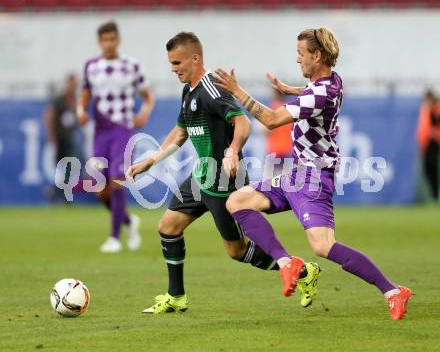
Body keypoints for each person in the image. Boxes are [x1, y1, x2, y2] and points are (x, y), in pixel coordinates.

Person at [214, 27, 412, 320]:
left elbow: (269, 120)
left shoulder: (319, 93)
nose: (298, 61)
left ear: (317, 55)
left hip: (314, 177)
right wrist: (290, 90)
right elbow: (314, 93)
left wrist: (236, 90)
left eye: (301, 55)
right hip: (297, 174)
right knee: (237, 201)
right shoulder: (333, 81)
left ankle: (394, 291)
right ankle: (286, 262)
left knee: (322, 246)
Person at [126, 32, 321, 314]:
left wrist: (232, 151)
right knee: (168, 227)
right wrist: (153, 159)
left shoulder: (212, 89)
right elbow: (181, 131)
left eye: (177, 62)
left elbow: (243, 123)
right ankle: (176, 296)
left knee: (237, 250)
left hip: (224, 180)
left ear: (195, 58)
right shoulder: (188, 90)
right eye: (171, 63)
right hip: (201, 176)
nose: (174, 68)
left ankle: (302, 271)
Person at [76, 21, 155, 253]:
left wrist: (144, 112)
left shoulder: (131, 65)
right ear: (100, 42)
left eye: (112, 39)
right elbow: (85, 94)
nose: (109, 44)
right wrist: (80, 111)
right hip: (101, 132)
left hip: (123, 129)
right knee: (101, 189)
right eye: (105, 40)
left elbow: (148, 95)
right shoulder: (91, 66)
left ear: (118, 40)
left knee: (117, 179)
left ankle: (114, 238)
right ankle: (129, 222)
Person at [44, 73, 78, 202]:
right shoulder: (59, 99)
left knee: (70, 166)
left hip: (69, 138)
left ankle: (60, 193)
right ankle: (56, 192)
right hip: (60, 138)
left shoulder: (75, 99)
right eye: (72, 83)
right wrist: (52, 136)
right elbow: (49, 117)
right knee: (61, 166)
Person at [417, 90, 440, 201]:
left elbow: (436, 122)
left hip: (436, 141)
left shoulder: (436, 109)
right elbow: (423, 130)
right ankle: (435, 193)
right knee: (428, 168)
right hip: (428, 143)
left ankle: (436, 193)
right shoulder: (425, 110)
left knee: (433, 166)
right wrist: (422, 144)